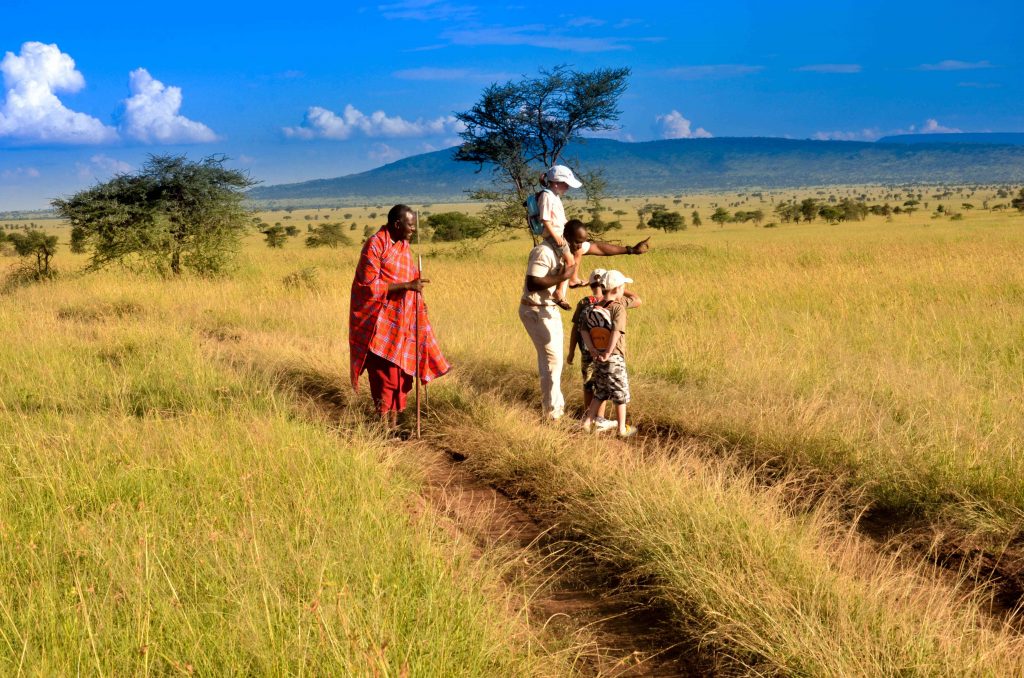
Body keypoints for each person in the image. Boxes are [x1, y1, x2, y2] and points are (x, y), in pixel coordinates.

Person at [520, 220, 651, 421]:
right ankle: (554, 415)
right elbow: (532, 282)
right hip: (536, 310)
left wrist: (630, 250)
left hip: (549, 309)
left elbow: (599, 247)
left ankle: (567, 414)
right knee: (552, 362)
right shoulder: (543, 252)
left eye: (583, 242)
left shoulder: (585, 299)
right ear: (565, 237)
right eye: (577, 242)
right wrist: (564, 276)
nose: (581, 247)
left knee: (556, 364)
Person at [350, 204, 450, 429]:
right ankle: (384, 429)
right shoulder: (375, 245)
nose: (413, 230)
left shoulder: (403, 247)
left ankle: (393, 427)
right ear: (397, 224)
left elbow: (412, 277)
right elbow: (367, 286)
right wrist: (407, 286)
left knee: (401, 376)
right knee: (385, 377)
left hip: (403, 321)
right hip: (379, 322)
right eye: (410, 225)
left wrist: (419, 302)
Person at [580, 269, 642, 438]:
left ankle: (587, 422)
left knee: (600, 391)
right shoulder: (618, 308)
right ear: (617, 289)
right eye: (622, 287)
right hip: (613, 356)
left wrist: (593, 349)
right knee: (620, 392)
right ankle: (622, 429)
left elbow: (584, 330)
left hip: (597, 356)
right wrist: (608, 352)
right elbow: (616, 331)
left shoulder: (592, 308)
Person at [567, 268, 616, 432]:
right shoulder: (611, 302)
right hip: (605, 351)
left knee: (588, 384)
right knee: (601, 385)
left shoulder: (583, 302)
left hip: (586, 351)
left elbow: (576, 329)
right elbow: (637, 301)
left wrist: (571, 351)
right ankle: (599, 419)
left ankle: (588, 416)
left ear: (590, 284)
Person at [536, 165, 584, 310]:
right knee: (570, 262)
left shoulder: (554, 196)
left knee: (578, 250)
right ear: (556, 183)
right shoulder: (546, 196)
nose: (567, 188)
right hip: (554, 235)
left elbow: (560, 219)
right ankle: (559, 292)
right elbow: (545, 220)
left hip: (561, 233)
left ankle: (572, 280)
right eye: (566, 184)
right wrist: (556, 237)